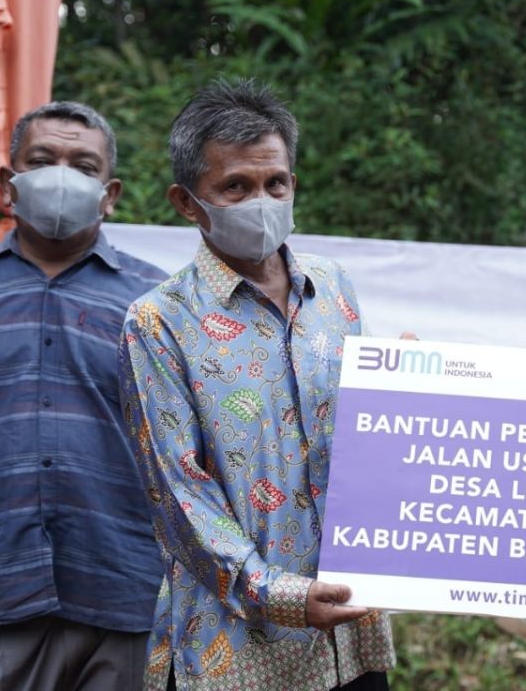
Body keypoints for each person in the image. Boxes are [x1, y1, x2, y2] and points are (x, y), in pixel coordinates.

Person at [118, 79, 395, 691]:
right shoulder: (159, 321)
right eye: (235, 187)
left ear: (295, 183)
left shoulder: (334, 289)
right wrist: (279, 593)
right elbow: (179, 494)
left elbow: (371, 431)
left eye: (276, 183)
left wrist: (417, 393)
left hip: (350, 634)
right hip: (236, 650)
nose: (262, 200)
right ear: (187, 202)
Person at [0, 102, 167, 689]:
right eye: (42, 160)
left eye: (84, 164)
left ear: (110, 192)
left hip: (123, 590)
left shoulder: (160, 306)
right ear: (8, 184)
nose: (62, 175)